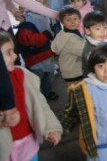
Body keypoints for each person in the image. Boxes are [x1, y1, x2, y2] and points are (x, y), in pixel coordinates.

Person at [58, 43, 107, 160]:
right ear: (93, 68)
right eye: (100, 66)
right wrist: (55, 130)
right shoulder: (85, 90)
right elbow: (71, 113)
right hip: (102, 148)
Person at [0, 32, 62, 161]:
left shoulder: (22, 75)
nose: (15, 56)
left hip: (28, 144)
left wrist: (50, 128)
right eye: (8, 52)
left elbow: (40, 104)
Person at [15, 0, 58, 100]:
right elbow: (30, 40)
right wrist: (46, 36)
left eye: (43, 3)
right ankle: (37, 97)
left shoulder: (45, 16)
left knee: (48, 73)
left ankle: (47, 91)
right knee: (37, 77)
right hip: (35, 57)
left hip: (47, 53)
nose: (42, 6)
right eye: (38, 3)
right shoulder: (27, 21)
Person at [51, 6, 86, 89]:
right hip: (74, 72)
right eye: (68, 20)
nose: (72, 22)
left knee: (73, 94)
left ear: (80, 19)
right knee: (78, 95)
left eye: (75, 19)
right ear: (62, 22)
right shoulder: (70, 39)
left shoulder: (65, 32)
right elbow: (84, 52)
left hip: (69, 70)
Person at [81, 11, 107, 76]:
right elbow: (89, 72)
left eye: (105, 27)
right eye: (98, 29)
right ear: (87, 31)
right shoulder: (89, 51)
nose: (103, 31)